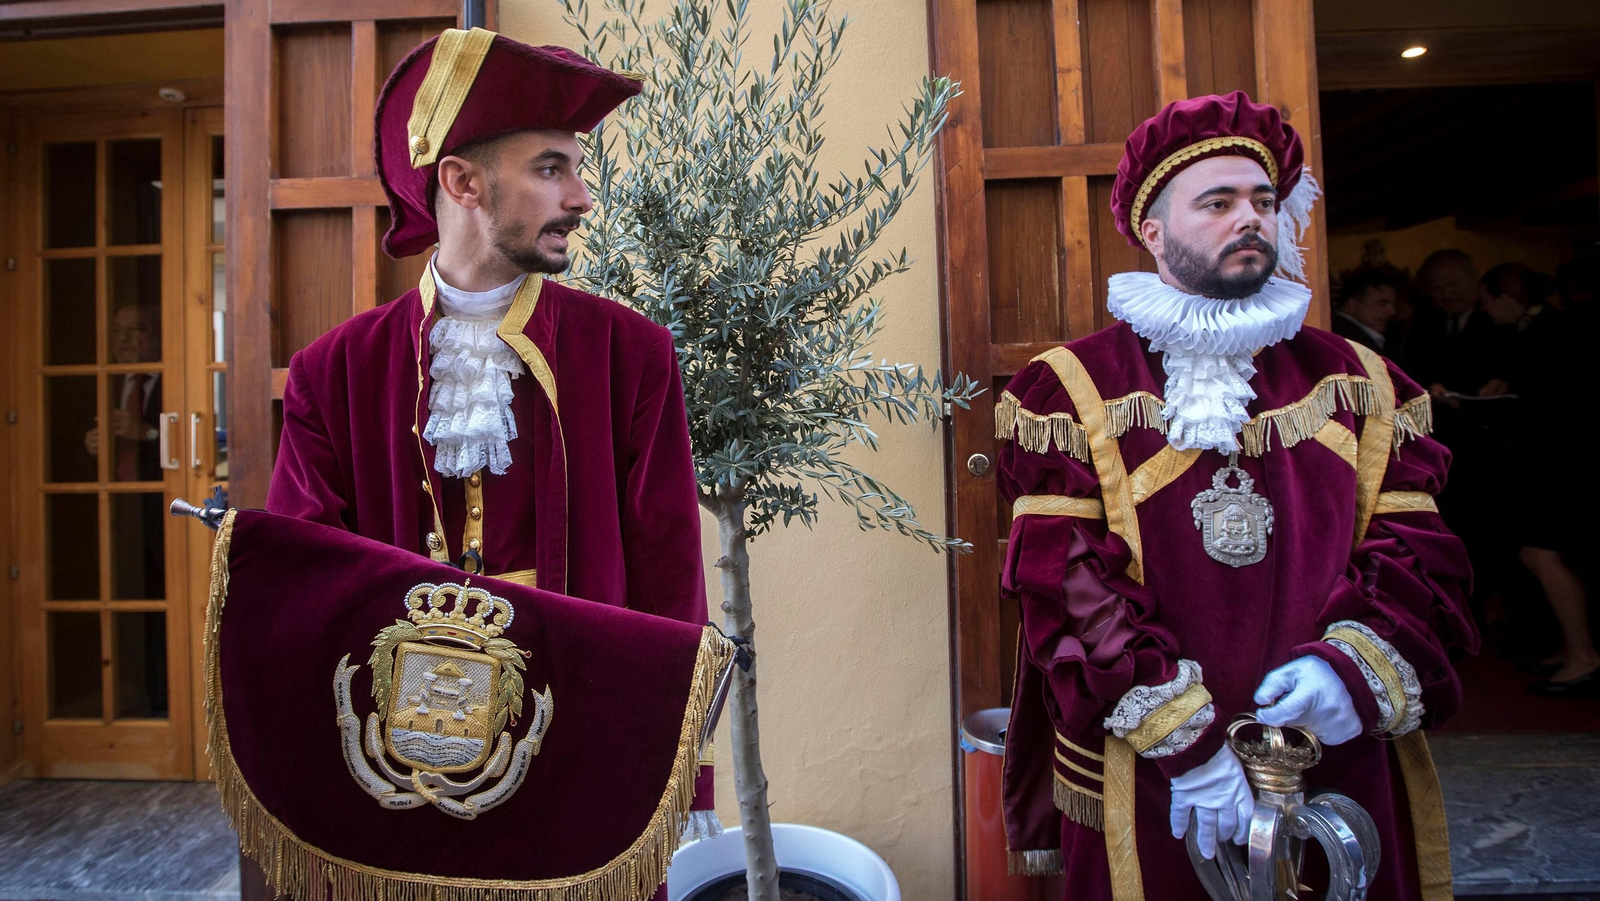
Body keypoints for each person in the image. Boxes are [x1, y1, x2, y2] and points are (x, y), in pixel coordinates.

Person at [996, 92, 1477, 900]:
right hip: (1155, 775)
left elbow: (1419, 554)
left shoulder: (1362, 384)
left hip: (1336, 756)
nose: (1248, 218)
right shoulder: (1069, 390)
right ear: (1154, 232)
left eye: (1261, 201)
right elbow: (1069, 586)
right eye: (1216, 203)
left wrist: (1349, 671)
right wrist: (1187, 746)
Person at [264, 27, 717, 868]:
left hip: (581, 757)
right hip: (393, 771)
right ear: (463, 181)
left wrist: (680, 773)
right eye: (552, 169)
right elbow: (299, 584)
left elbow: (668, 575)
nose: (581, 197)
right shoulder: (332, 373)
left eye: (577, 169)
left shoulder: (630, 354)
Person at [1478, 264, 1596, 696]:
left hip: (1565, 462)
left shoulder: (1558, 329)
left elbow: (1561, 402)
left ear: (1506, 296)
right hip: (1557, 459)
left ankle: (1583, 655)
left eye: (1487, 299)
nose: (1485, 310)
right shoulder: (1548, 329)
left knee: (1542, 553)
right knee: (1544, 553)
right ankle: (1573, 649)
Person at [1332, 267, 1401, 352]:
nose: (1392, 311)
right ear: (1353, 305)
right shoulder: (1351, 341)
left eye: (1393, 304)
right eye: (1382, 303)